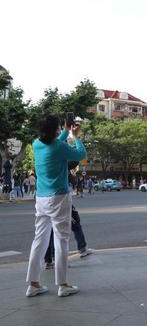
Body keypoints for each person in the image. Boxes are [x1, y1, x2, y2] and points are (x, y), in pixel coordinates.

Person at [25, 115, 86, 298]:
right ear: (55, 129)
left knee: (39, 240)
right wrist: (75, 136)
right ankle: (63, 284)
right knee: (61, 240)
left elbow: (53, 143)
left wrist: (66, 130)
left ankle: (33, 283)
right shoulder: (59, 147)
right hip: (58, 198)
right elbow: (80, 154)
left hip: (41, 199)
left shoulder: (36, 144)